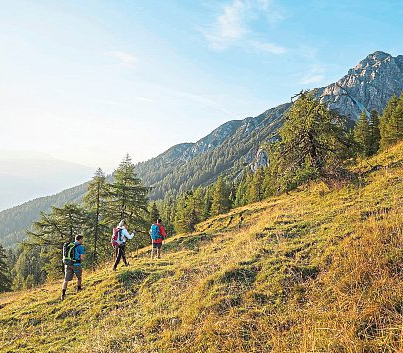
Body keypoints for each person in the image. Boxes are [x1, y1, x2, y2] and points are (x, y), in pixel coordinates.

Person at [61, 235, 85, 300]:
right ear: (80, 239)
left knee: (65, 280)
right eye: (82, 239)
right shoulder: (80, 247)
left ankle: (63, 294)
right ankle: (79, 289)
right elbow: (82, 258)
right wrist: (81, 259)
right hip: (76, 265)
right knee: (79, 278)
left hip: (67, 264)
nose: (82, 241)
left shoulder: (69, 245)